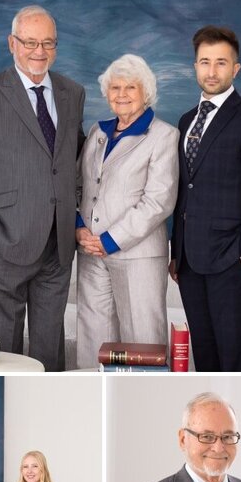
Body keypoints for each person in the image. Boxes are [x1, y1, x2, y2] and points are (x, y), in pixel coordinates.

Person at [0, 5, 85, 371]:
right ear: (12, 43)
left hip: (58, 245)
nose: (39, 51)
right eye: (30, 42)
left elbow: (73, 160)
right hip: (5, 241)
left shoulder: (72, 93)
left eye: (48, 43)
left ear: (56, 46)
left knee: (49, 355)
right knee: (3, 356)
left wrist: (74, 211)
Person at [170, 26, 241, 372]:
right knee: (203, 350)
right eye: (205, 62)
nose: (212, 71)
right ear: (195, 66)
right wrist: (177, 252)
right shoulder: (186, 120)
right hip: (189, 259)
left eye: (221, 62)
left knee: (232, 353)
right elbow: (185, 189)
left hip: (231, 258)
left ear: (236, 69)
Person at [75, 53, 179, 369]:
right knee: (93, 341)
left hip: (138, 256)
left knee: (142, 343)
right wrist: (79, 227)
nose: (122, 94)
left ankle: (146, 395)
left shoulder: (164, 135)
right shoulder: (97, 132)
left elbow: (158, 201)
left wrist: (109, 240)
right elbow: (79, 186)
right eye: (115, 87)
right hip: (91, 252)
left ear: (146, 93)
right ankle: (92, 394)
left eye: (130, 87)